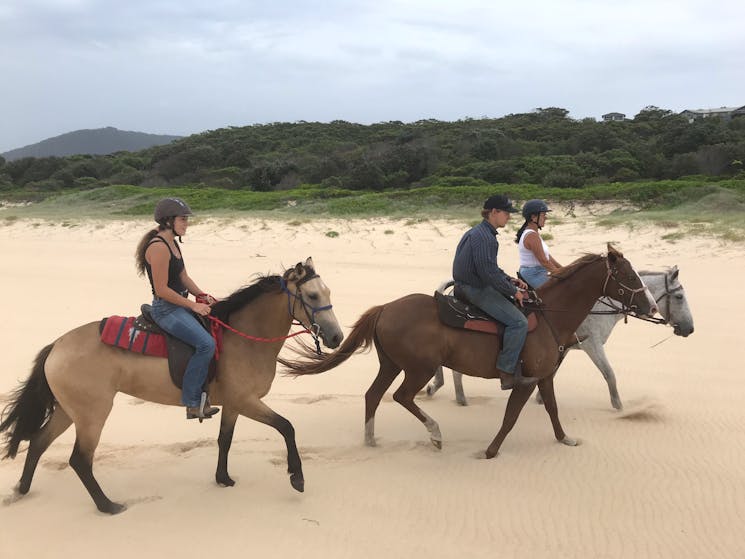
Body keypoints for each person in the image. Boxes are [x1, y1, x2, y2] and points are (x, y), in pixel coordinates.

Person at [135, 197, 219, 420]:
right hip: (167, 310)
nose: (186, 223)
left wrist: (202, 295)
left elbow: (183, 276)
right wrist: (193, 305)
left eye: (186, 219)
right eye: (183, 219)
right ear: (169, 221)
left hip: (179, 304)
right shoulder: (159, 248)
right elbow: (162, 290)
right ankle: (192, 402)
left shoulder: (173, 242)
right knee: (205, 344)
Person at [452, 195, 535, 390]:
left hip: (470, 284)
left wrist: (509, 280)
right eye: (506, 213)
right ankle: (507, 373)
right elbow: (487, 273)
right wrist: (513, 291)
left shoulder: (477, 232)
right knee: (519, 322)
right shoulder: (485, 238)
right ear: (494, 213)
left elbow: (490, 268)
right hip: (474, 289)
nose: (508, 217)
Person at [515, 199, 562, 289]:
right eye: (543, 215)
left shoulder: (534, 233)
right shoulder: (531, 235)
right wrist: (560, 275)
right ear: (533, 217)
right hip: (534, 274)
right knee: (559, 290)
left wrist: (563, 269)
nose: (546, 218)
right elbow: (544, 261)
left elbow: (548, 257)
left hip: (539, 271)